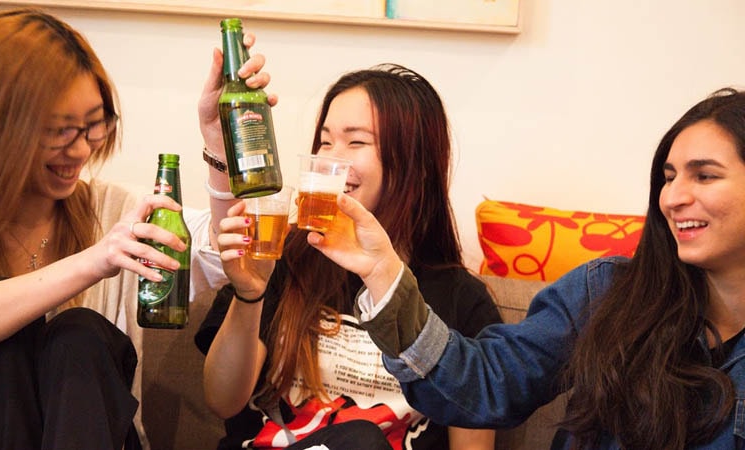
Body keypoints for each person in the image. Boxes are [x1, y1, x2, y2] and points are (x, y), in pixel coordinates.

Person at [248, 86, 745, 449]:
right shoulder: (607, 292)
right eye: (668, 176)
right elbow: (485, 385)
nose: (674, 198)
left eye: (705, 175)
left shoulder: (461, 293)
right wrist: (383, 275)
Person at [0, 9, 229, 449]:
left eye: (93, 125)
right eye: (59, 131)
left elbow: (225, 250)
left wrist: (217, 139)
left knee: (80, 332)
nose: (80, 150)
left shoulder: (111, 209)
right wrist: (94, 262)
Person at [196, 49, 502, 448]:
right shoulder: (282, 258)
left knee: (361, 439)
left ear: (413, 163)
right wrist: (249, 295)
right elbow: (221, 401)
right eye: (324, 142)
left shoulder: (462, 301)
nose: (330, 160)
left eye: (355, 141)